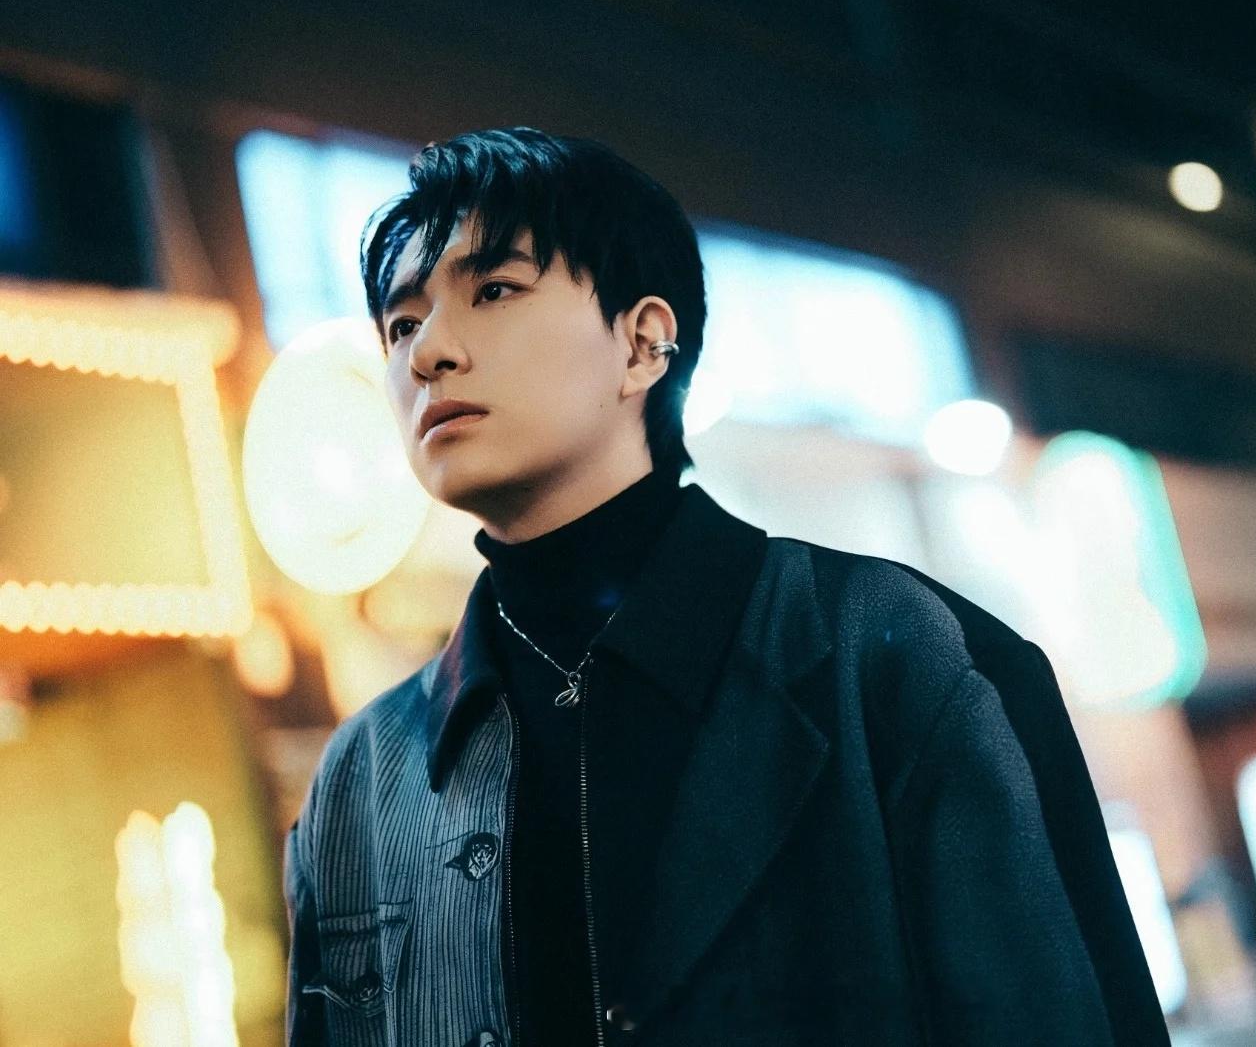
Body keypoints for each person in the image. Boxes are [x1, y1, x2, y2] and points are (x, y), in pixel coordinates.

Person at [283, 126, 1165, 1046]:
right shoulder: (360, 780)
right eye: (401, 324)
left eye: (494, 289)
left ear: (643, 343)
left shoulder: (895, 655)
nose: (427, 352)